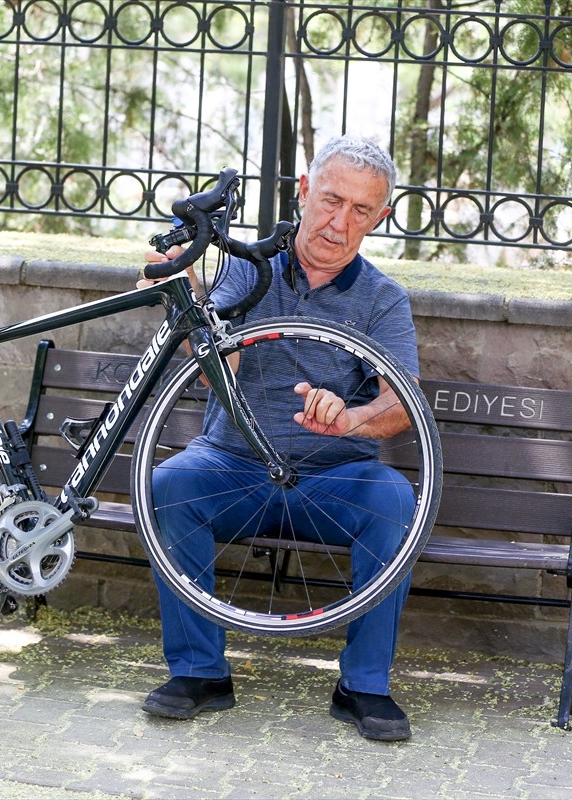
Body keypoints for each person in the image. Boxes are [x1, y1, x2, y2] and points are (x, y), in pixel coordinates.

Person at [136, 135, 419, 742]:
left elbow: (401, 405)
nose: (340, 223)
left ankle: (363, 686)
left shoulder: (383, 299)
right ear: (304, 191)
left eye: (362, 211)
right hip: (233, 463)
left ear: (380, 218)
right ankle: (200, 673)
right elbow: (207, 350)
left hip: (334, 476)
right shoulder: (247, 265)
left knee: (396, 501)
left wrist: (348, 419)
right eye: (332, 200)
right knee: (169, 484)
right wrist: (181, 297)